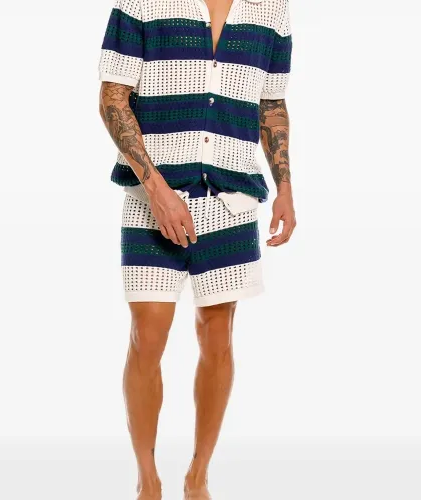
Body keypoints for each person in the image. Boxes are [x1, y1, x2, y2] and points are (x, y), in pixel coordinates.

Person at [98, 0, 295, 498]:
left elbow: (271, 104)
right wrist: (157, 189)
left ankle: (198, 475)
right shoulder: (142, 2)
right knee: (147, 334)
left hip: (231, 200)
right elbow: (112, 99)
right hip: (152, 200)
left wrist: (285, 187)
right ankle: (147, 479)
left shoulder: (271, 8)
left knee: (218, 336)